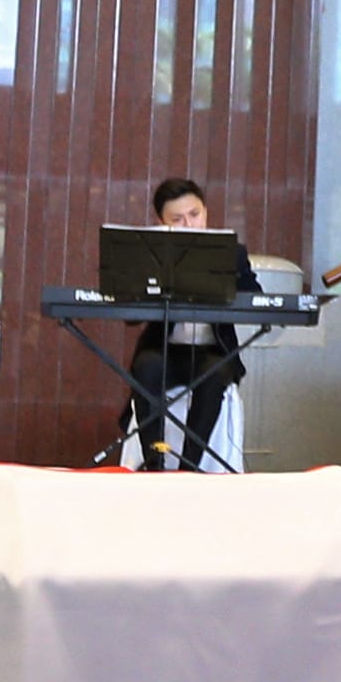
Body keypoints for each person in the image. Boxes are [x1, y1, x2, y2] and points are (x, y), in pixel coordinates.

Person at [125, 176, 244, 471]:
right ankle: (154, 460)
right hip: (166, 351)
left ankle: (189, 467)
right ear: (161, 222)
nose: (189, 225)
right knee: (146, 367)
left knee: (214, 373)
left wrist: (222, 290)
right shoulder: (152, 256)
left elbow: (255, 299)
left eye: (195, 214)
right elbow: (131, 316)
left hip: (211, 352)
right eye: (177, 219)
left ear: (206, 211)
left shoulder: (232, 254)